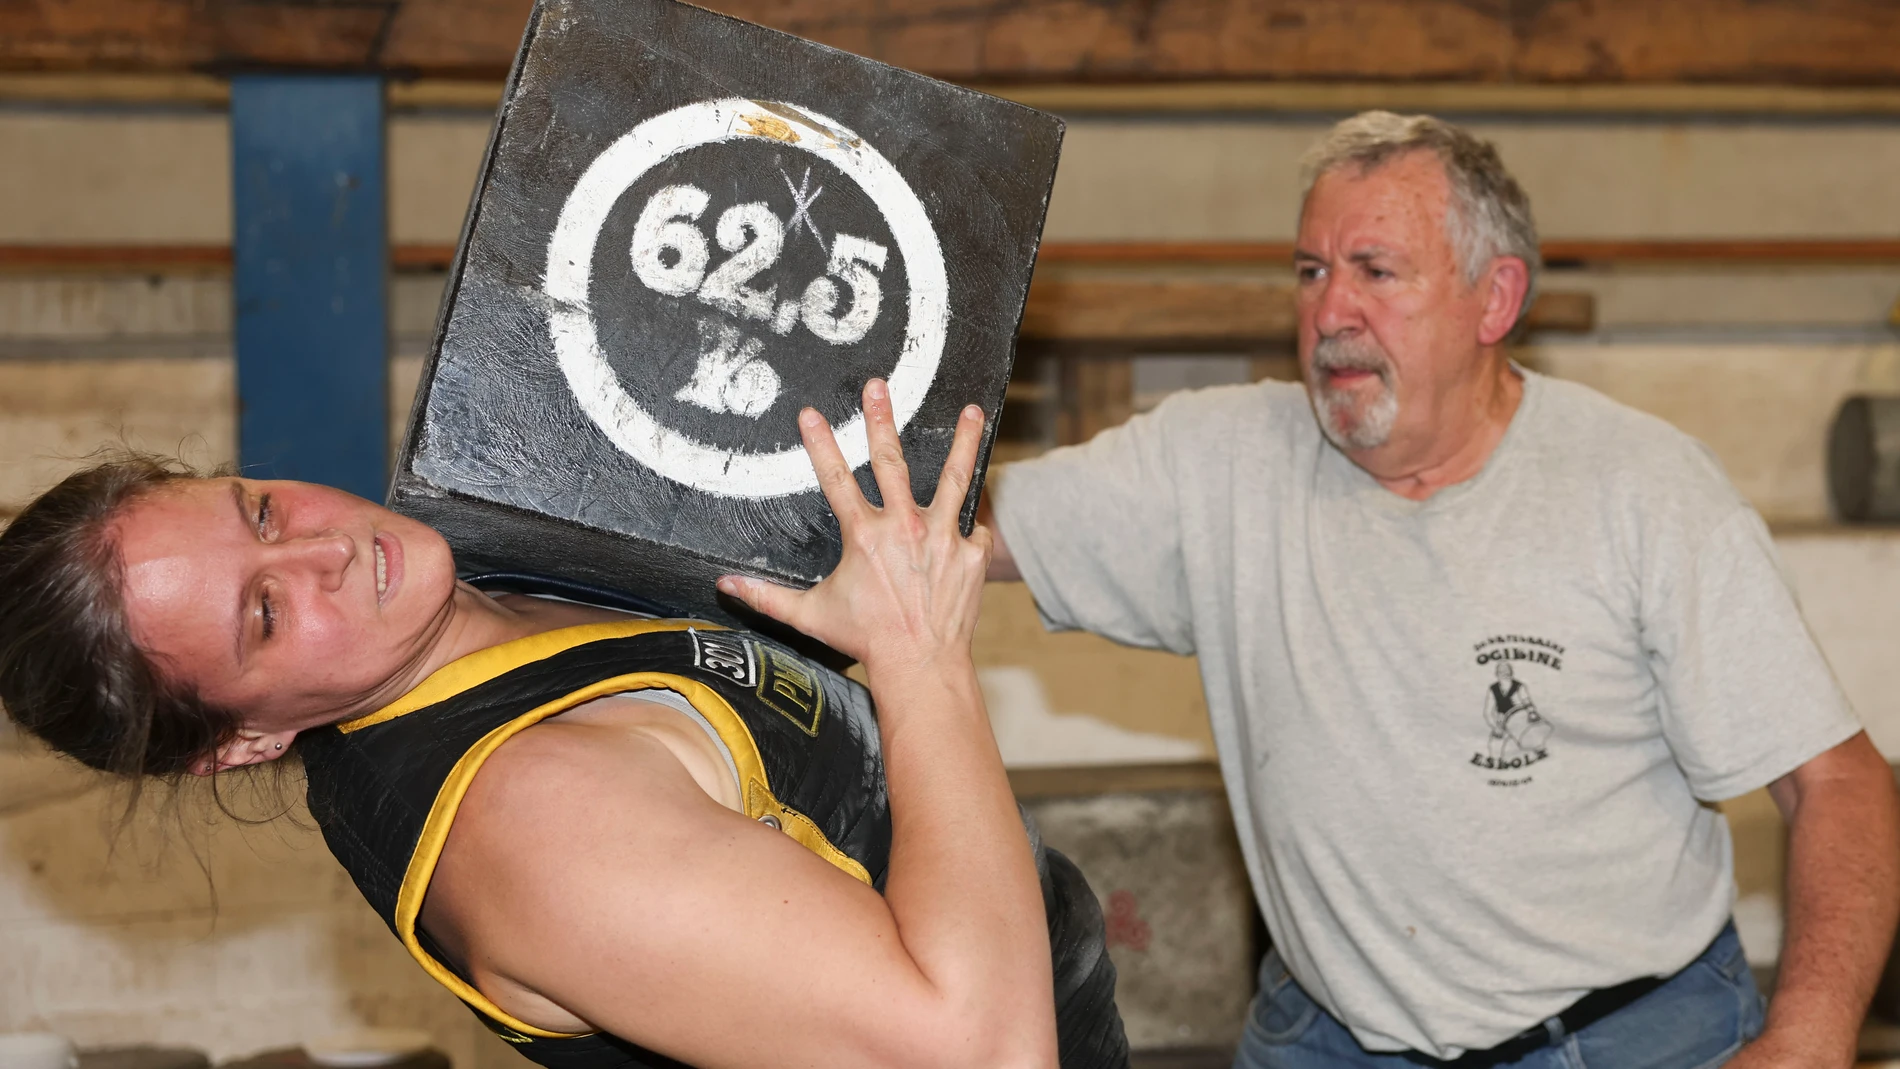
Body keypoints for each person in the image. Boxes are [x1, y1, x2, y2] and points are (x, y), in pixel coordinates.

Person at [984, 111, 1900, 1067]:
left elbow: (1838, 782)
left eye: (1376, 271)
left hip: (1628, 1035)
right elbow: (961, 531)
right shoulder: (1219, 464)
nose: (1331, 310)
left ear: (1494, 299)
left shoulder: (1644, 491)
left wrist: (1810, 1036)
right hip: (1333, 1036)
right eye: (1310, 271)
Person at [0, 381, 1129, 1069]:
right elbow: (980, 1050)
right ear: (238, 743)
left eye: (259, 510)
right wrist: (920, 657)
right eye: (265, 613)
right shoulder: (535, 826)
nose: (322, 550)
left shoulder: (479, 555)